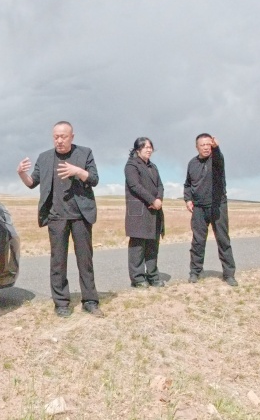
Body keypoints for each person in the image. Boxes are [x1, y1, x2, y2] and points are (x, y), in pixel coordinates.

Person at [17, 121, 104, 318]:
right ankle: (61, 303)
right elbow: (31, 183)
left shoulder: (85, 153)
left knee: (85, 260)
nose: (59, 140)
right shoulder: (45, 157)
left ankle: (90, 301)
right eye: (56, 137)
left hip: (80, 215)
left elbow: (95, 179)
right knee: (58, 261)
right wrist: (22, 173)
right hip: (56, 216)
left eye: (63, 136)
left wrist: (78, 171)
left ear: (72, 137)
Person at [183, 133, 238, 286]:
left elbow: (219, 158)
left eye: (209, 144)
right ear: (197, 147)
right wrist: (188, 199)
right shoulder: (192, 163)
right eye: (203, 145)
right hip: (199, 208)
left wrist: (217, 148)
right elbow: (187, 184)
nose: (206, 147)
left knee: (223, 240)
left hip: (217, 206)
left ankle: (229, 274)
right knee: (198, 242)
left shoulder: (216, 159)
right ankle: (195, 272)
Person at [125, 137, 166, 288]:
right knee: (138, 247)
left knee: (152, 245)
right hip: (139, 211)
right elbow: (135, 186)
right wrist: (152, 200)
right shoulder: (131, 165)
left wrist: (159, 199)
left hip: (154, 211)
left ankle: (153, 276)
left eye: (150, 147)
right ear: (138, 150)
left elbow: (160, 185)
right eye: (145, 147)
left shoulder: (153, 166)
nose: (149, 150)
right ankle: (138, 279)